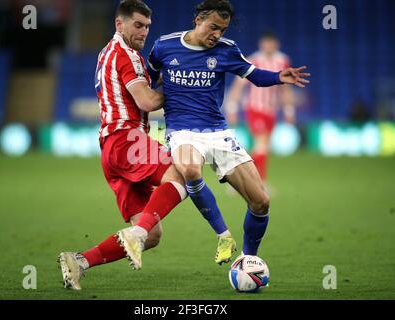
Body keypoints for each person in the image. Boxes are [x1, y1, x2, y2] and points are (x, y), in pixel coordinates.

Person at [146, 0, 309, 264]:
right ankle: (223, 234)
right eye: (213, 27)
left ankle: (248, 260)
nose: (217, 35)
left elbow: (254, 75)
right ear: (198, 19)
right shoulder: (164, 46)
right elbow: (149, 80)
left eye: (222, 29)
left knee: (261, 202)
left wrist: (280, 77)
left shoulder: (227, 50)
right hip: (182, 129)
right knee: (189, 169)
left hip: (218, 131)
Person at [57, 0, 188, 290]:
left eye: (147, 27)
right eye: (138, 25)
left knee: (151, 234)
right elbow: (147, 101)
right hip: (126, 139)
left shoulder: (110, 53)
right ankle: (134, 236)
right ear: (120, 24)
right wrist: (178, 85)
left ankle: (78, 261)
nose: (144, 32)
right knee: (181, 174)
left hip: (112, 150)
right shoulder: (125, 55)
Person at [225, 32, 296, 182]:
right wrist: (232, 107)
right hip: (255, 108)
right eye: (266, 43)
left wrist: (289, 109)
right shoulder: (254, 60)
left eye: (271, 43)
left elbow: (286, 87)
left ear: (276, 44)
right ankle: (259, 182)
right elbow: (239, 84)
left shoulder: (283, 60)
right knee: (262, 144)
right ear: (261, 44)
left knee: (262, 148)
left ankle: (238, 178)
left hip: (271, 111)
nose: (268, 46)